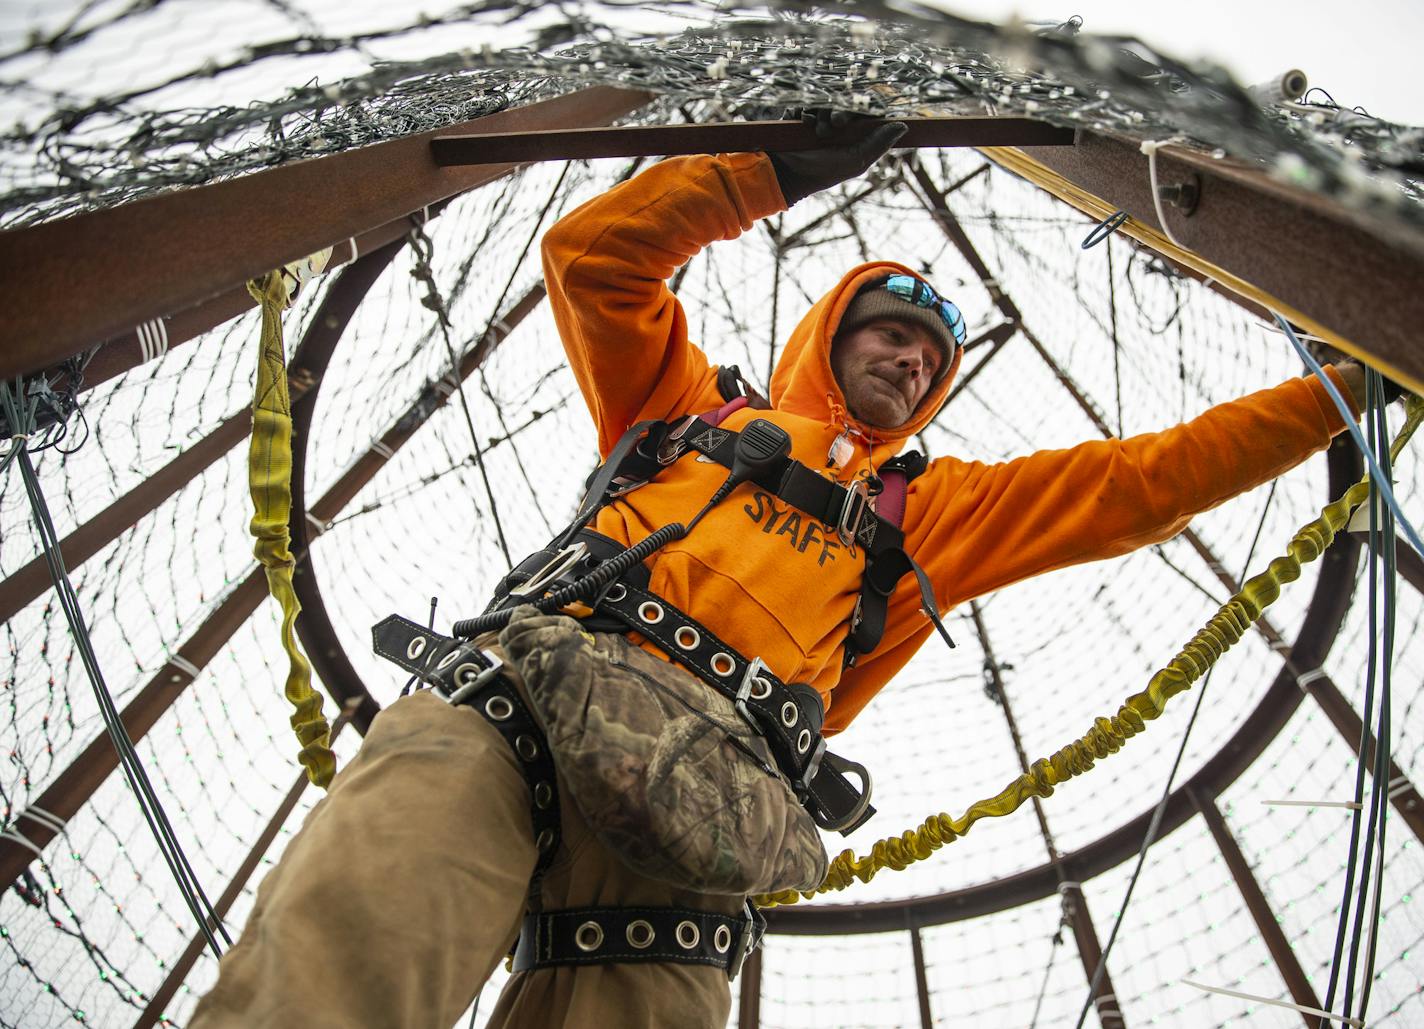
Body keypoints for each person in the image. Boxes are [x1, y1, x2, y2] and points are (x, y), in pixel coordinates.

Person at [190, 120, 1371, 1029]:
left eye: (931, 357)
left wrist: (1339, 387)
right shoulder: (691, 409)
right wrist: (764, 166)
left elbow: (1141, 484)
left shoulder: (930, 514)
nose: (910, 359)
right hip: (520, 704)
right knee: (340, 957)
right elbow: (593, 261)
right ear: (828, 334)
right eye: (886, 332)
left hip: (707, 800)